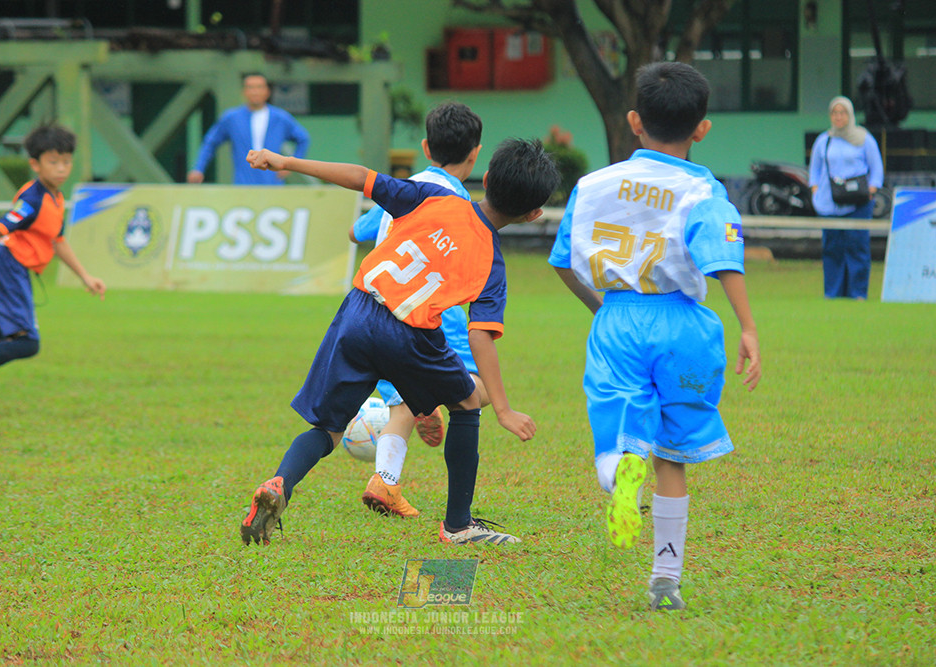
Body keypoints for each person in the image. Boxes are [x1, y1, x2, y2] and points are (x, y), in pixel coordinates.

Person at [240, 137, 560, 546]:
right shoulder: (491, 264)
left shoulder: (434, 196)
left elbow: (361, 178)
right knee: (466, 402)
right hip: (411, 335)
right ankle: (458, 526)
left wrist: (286, 161)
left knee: (328, 428)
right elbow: (480, 335)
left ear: (487, 179)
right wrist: (503, 409)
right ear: (533, 214)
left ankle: (280, 483)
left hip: (358, 311)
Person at [548, 62, 761, 611]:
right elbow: (723, 257)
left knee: (620, 435)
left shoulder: (592, 186)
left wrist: (602, 307)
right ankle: (665, 579)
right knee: (672, 455)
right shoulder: (703, 189)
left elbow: (563, 260)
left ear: (634, 121)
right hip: (685, 325)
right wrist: (747, 327)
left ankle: (622, 470)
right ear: (702, 129)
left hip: (618, 319)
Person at [348, 101, 485, 518]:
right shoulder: (460, 202)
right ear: (476, 153)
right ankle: (432, 402)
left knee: (400, 403)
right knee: (476, 394)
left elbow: (355, 232)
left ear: (425, 147)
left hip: (380, 311)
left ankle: (386, 480)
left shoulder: (401, 188)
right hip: (437, 313)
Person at [0, 124, 106, 411]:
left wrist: (85, 276)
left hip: (14, 271)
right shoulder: (33, 200)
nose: (61, 168)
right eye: (53, 162)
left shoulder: (55, 198)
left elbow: (58, 241)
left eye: (66, 162)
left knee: (9, 342)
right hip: (6, 268)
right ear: (35, 164)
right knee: (27, 343)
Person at [808, 96, 884, 300]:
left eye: (842, 113)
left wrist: (872, 189)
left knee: (857, 247)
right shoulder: (824, 140)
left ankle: (857, 293)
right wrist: (815, 190)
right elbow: (815, 169)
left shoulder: (864, 139)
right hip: (830, 203)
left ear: (850, 115)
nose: (838, 117)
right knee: (832, 249)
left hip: (858, 202)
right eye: (835, 113)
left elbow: (876, 167)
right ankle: (833, 293)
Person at [187, 73, 310, 186]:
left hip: (273, 185)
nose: (255, 92)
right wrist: (198, 169)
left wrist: (290, 166)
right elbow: (210, 142)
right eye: (250, 87)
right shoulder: (232, 118)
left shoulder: (280, 118)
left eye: (259, 87)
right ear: (244, 91)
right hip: (243, 185)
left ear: (267, 91)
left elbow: (303, 139)